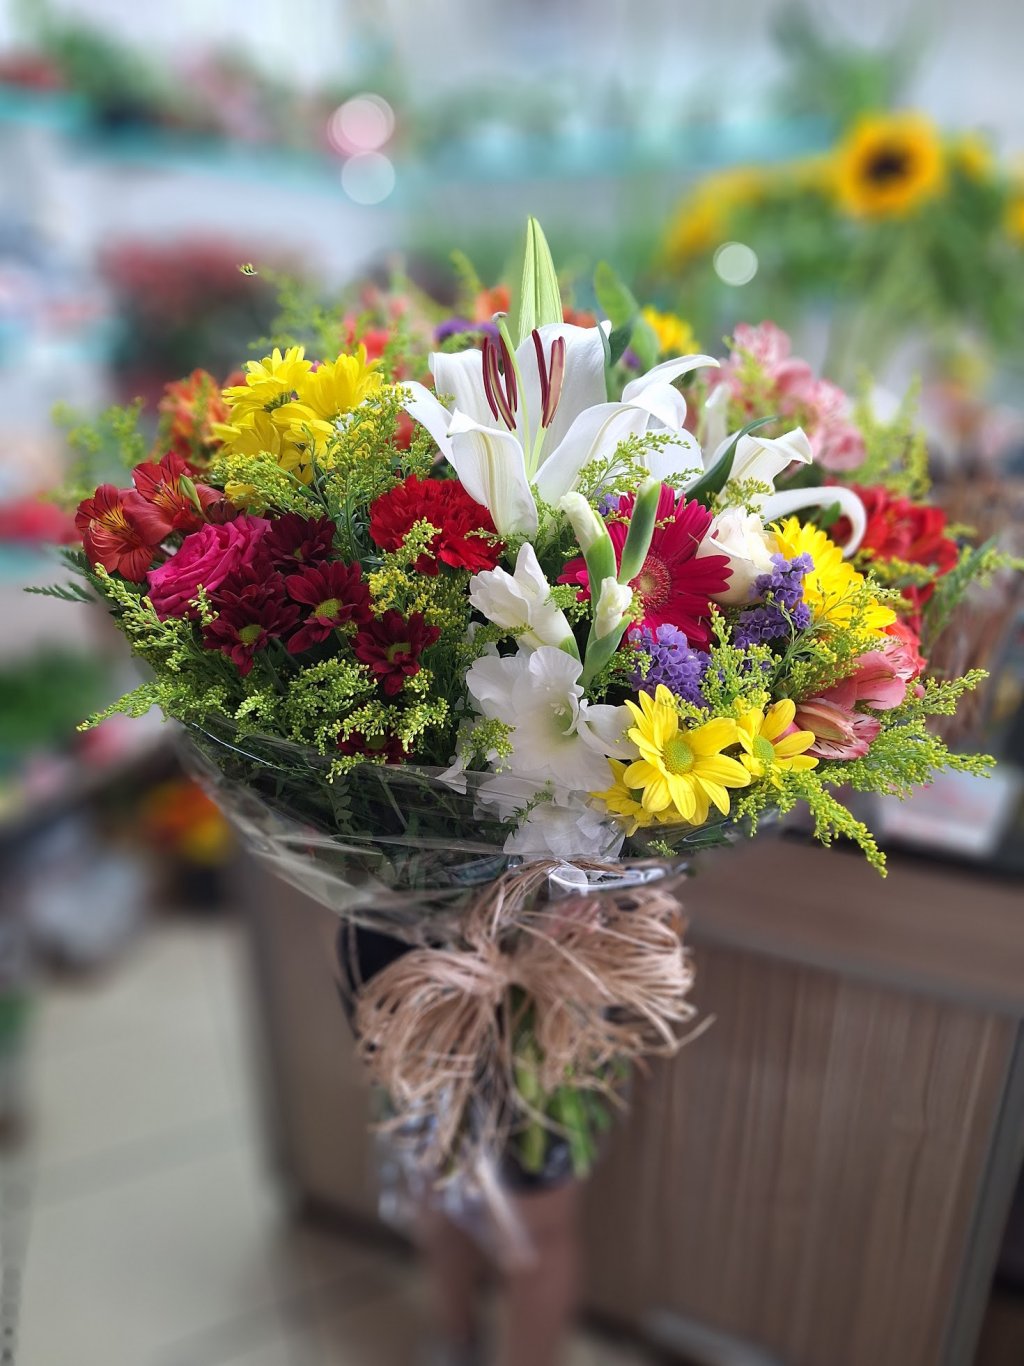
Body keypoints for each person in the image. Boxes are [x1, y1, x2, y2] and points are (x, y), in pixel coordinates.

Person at [335, 925, 582, 1366]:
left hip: (542, 975)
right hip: (408, 973)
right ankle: (456, 1342)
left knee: (534, 1233)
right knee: (434, 1190)